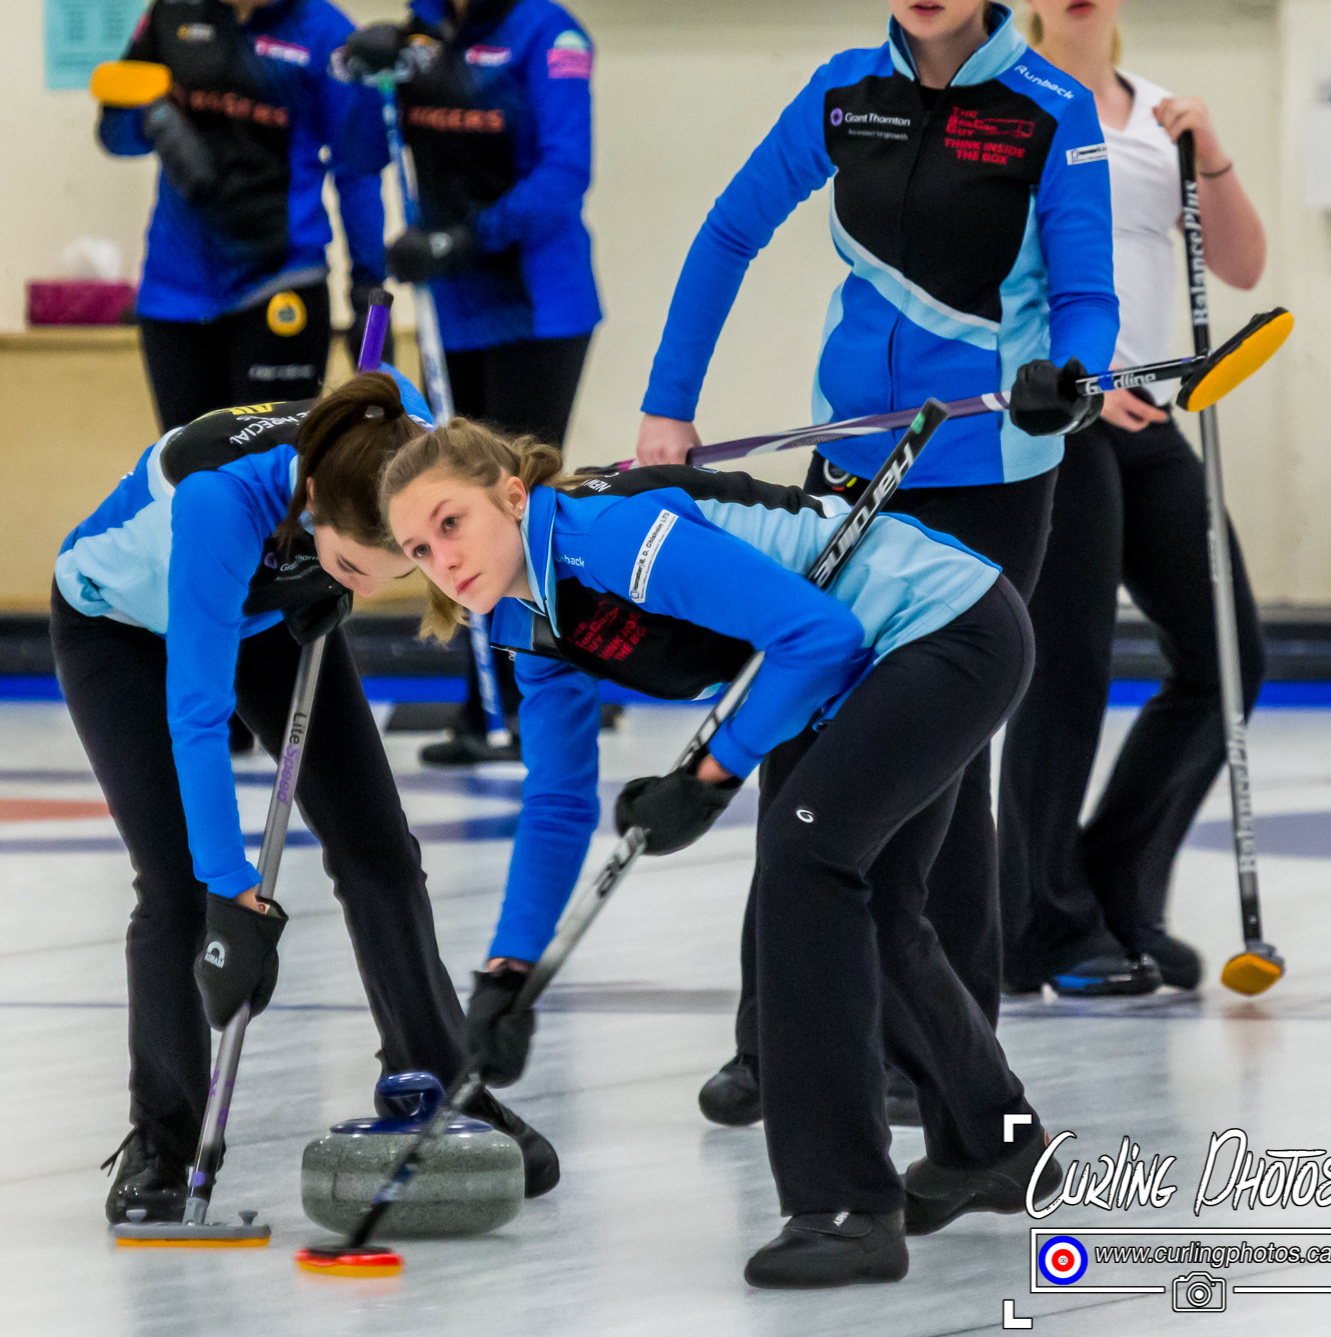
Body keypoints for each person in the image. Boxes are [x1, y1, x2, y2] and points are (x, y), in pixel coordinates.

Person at [634, 0, 1120, 1120]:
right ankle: (775, 1040)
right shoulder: (842, 95)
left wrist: (1072, 379)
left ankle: (937, 1054)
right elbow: (727, 234)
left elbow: (1086, 298)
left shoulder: (1052, 111)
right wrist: (667, 406)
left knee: (936, 765)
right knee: (797, 725)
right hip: (851, 468)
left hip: (987, 480)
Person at [380, 416, 1063, 1290]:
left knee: (804, 861)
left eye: (451, 523)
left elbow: (817, 634)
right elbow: (555, 804)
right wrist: (508, 971)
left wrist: (708, 778)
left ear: (512, 496)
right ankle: (996, 1143)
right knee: (873, 904)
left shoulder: (608, 536)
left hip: (943, 628)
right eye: (420, 550)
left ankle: (846, 1208)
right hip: (873, 665)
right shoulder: (528, 621)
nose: (444, 559)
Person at [51, 371, 557, 1225]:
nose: (370, 590)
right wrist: (230, 887)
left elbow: (411, 407)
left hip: (271, 608)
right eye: (356, 568)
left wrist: (332, 583)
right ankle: (162, 1142)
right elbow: (198, 716)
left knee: (379, 849)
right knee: (178, 885)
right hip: (125, 631)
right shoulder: (219, 505)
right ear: (314, 497)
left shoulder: (408, 445)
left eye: (396, 566)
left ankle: (438, 1084)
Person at [997, 0, 1267, 995]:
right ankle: (1040, 926)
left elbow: (1241, 266)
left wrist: (1212, 153)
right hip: (1060, 423)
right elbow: (987, 281)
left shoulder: (1161, 115)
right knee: (1068, 671)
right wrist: (1078, 376)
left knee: (1229, 658)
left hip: (1151, 420)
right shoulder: (1007, 106)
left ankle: (1113, 893)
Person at [339, 0, 602, 766]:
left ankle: (546, 697)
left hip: (536, 304)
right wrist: (366, 80)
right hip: (453, 310)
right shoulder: (416, 42)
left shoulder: (549, 36)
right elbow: (364, 155)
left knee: (519, 506)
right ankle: (481, 693)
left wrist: (467, 237)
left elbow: (565, 174)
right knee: (452, 506)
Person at [98, 0, 386, 435]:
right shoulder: (173, 12)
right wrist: (155, 118)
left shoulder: (322, 32)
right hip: (173, 292)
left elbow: (357, 172)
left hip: (279, 281)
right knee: (190, 476)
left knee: (270, 476)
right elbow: (115, 137)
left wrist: (370, 296)